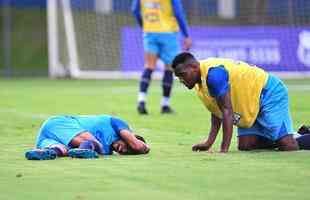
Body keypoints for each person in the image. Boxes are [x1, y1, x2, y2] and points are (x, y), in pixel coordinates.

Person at [172, 52, 310, 153]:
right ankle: (295, 135)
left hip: (268, 92)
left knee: (288, 145)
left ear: (194, 67)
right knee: (246, 145)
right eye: (178, 77)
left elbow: (227, 111)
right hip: (251, 100)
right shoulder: (200, 82)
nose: (181, 80)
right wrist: (209, 142)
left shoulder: (213, 75)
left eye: (183, 74)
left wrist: (223, 150)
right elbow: (217, 110)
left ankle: (292, 137)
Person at [131, 0, 192, 114]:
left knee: (149, 66)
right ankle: (165, 104)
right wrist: (186, 35)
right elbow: (178, 13)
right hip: (168, 32)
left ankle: (141, 101)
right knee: (169, 68)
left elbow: (135, 10)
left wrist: (144, 25)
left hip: (149, 31)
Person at [25, 115, 150, 160]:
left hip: (48, 138)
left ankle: (45, 151)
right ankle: (84, 149)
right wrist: (145, 148)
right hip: (59, 123)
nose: (123, 150)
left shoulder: (107, 151)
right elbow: (137, 145)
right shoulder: (117, 123)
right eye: (127, 146)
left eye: (126, 152)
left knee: (61, 150)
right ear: (130, 136)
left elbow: (134, 145)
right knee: (94, 144)